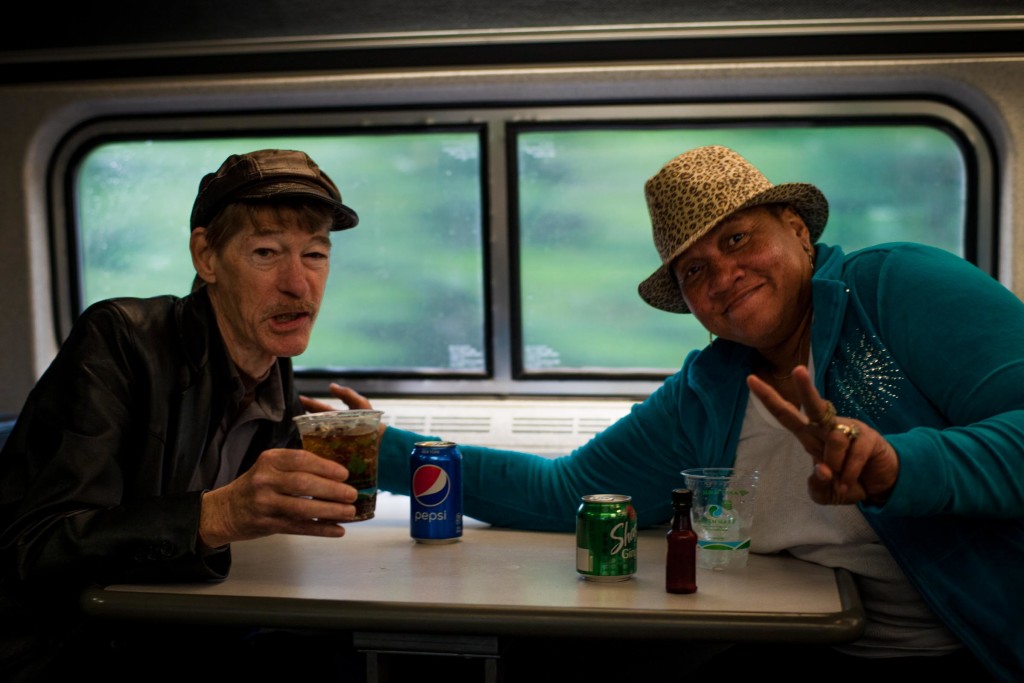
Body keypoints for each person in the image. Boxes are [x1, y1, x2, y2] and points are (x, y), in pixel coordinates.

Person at [317, 145, 1023, 681]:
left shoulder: (896, 287)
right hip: (827, 646)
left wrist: (902, 464)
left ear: (797, 230)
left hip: (980, 647)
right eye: (692, 270)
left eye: (738, 238)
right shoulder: (708, 388)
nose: (720, 274)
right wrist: (378, 449)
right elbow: (563, 491)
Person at [0, 149, 370, 681]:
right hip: (62, 650)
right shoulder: (120, 339)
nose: (298, 283)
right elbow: (37, 548)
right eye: (266, 252)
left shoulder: (272, 367)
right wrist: (217, 516)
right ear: (207, 257)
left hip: (171, 633)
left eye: (315, 254)